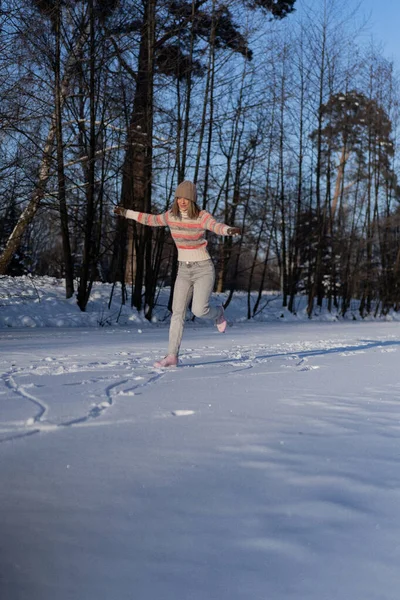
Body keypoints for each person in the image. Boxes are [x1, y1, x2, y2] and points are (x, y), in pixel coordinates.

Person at [114, 180, 241, 368]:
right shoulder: (171, 216)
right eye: (179, 197)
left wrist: (228, 230)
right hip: (183, 269)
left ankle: (218, 313)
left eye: (186, 198)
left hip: (203, 268)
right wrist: (127, 213)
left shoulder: (201, 216)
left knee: (199, 310)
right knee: (177, 313)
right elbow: (150, 219)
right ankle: (172, 355)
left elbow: (216, 226)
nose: (182, 201)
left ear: (193, 200)